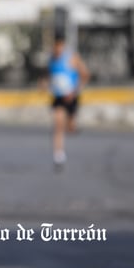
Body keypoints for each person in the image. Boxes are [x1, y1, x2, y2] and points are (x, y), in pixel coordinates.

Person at [47, 33, 89, 170]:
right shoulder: (51, 59)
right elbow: (51, 77)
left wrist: (75, 91)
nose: (57, 50)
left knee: (70, 128)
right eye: (55, 47)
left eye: (60, 47)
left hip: (71, 97)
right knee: (58, 124)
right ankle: (58, 155)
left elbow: (85, 74)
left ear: (63, 46)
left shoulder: (72, 58)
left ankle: (72, 124)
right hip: (58, 97)